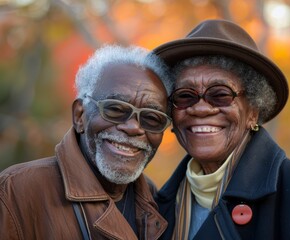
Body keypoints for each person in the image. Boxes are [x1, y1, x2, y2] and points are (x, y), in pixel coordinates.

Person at [153, 19, 290, 240]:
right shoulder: (153, 207)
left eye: (220, 94)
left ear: (253, 112)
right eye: (185, 96)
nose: (200, 108)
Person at [0, 45, 173, 239]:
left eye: (151, 118)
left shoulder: (153, 198)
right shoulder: (17, 191)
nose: (134, 128)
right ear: (79, 115)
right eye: (115, 109)